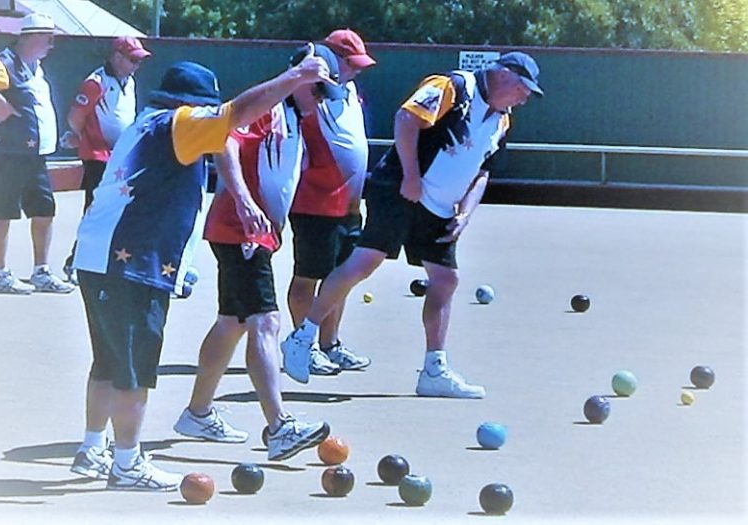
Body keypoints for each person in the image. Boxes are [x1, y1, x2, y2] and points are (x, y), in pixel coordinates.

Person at [68, 52, 334, 491]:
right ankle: (128, 462)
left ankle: (92, 448)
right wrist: (293, 77)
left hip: (98, 258)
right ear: (192, 104)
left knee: (109, 362)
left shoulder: (148, 122)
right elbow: (237, 114)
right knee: (134, 368)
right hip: (132, 262)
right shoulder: (181, 123)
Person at [281, 52, 543, 398]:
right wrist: (411, 176)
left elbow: (482, 171)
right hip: (399, 191)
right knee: (364, 262)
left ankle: (434, 370)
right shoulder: (452, 87)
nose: (524, 98)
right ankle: (302, 339)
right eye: (523, 89)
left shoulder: (502, 120)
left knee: (446, 279)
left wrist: (465, 212)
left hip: (439, 208)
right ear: (504, 76)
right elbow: (406, 118)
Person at [172, 44, 345, 460]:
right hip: (240, 229)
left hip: (253, 231)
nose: (320, 99)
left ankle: (197, 412)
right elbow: (225, 141)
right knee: (266, 321)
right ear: (298, 77)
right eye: (316, 88)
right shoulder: (268, 108)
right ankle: (279, 426)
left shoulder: (294, 118)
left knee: (232, 322)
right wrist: (246, 201)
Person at [286, 29, 376, 376]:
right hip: (314, 202)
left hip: (351, 205)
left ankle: (330, 344)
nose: (356, 71)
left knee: (342, 277)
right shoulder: (308, 91)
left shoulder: (351, 92)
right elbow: (298, 71)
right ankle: (301, 344)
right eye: (350, 64)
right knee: (307, 276)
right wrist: (313, 62)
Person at [0, 13, 74, 294]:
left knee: (44, 210)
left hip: (36, 154)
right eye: (47, 39)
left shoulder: (36, 67)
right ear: (30, 37)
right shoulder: (5, 62)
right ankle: (0, 275)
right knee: (3, 211)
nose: (51, 45)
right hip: (8, 153)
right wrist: (1, 105)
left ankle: (41, 271)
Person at [60, 36, 152, 285]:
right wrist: (85, 139)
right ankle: (76, 263)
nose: (137, 65)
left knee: (123, 211)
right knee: (95, 211)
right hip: (98, 159)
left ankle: (114, 262)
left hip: (123, 158)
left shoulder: (130, 81)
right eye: (133, 59)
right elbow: (75, 117)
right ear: (117, 57)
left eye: (139, 60)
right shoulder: (95, 83)